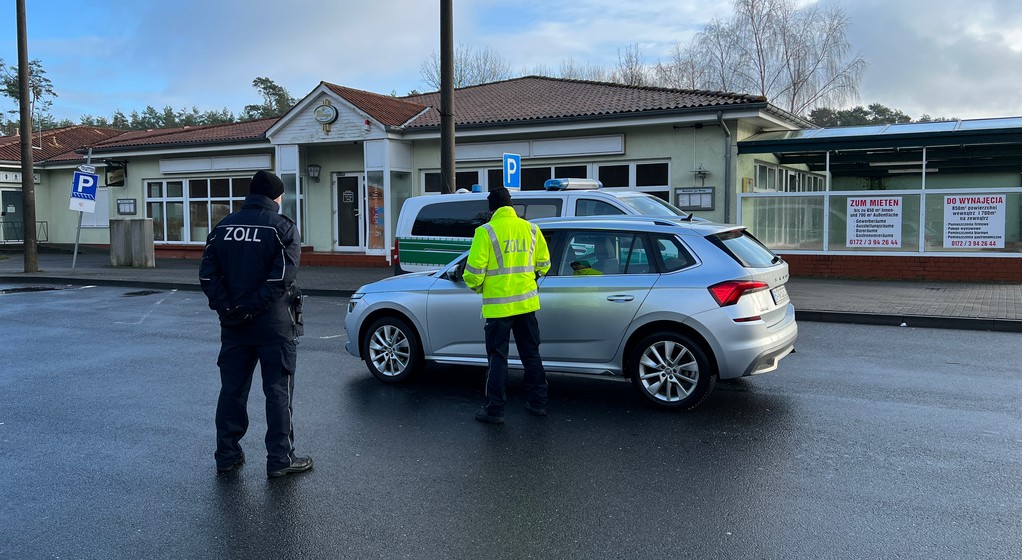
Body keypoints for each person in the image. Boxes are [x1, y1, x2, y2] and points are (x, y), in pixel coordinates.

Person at [199, 170, 312, 478]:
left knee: (232, 391)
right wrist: (250, 309)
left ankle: (226, 455)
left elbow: (208, 275)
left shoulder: (223, 227)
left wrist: (228, 308)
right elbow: (280, 279)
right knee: (277, 391)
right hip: (273, 327)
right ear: (277, 196)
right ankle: (280, 459)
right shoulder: (282, 228)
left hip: (233, 326)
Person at [463, 187, 551, 424]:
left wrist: (482, 288)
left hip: (498, 308)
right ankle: (537, 403)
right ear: (511, 206)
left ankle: (495, 410)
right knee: (531, 355)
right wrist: (530, 278)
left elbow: (472, 274)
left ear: (492, 208)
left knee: (498, 358)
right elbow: (544, 264)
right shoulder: (531, 228)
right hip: (526, 305)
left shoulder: (486, 231)